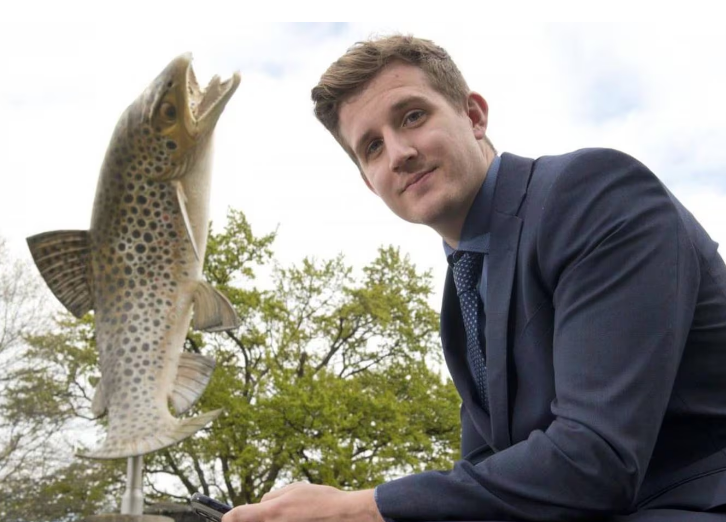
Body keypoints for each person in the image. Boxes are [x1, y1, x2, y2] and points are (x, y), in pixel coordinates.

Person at [223, 35, 726, 522]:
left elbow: (597, 460)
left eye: (412, 117)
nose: (399, 153)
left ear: (474, 115)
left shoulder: (589, 194)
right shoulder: (461, 306)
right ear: (368, 183)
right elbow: (486, 486)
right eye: (372, 147)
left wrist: (359, 507)